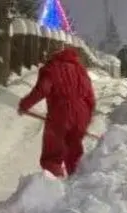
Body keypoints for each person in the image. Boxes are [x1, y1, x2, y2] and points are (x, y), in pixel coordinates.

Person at [17, 47, 96, 179]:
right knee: (74, 151)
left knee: (53, 153)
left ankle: (52, 185)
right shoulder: (80, 70)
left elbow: (42, 89)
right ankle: (77, 182)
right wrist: (87, 118)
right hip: (81, 113)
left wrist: (24, 105)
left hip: (60, 113)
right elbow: (90, 97)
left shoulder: (51, 68)